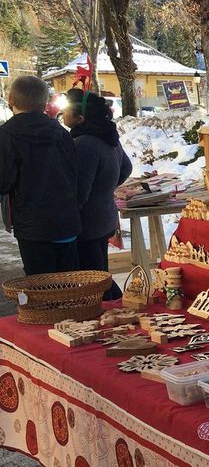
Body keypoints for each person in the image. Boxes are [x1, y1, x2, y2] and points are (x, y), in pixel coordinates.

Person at [0, 75, 81, 274]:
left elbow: (4, 182)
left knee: (41, 291)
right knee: (67, 287)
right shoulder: (61, 132)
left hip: (33, 227)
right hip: (67, 222)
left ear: (11, 100)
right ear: (45, 103)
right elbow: (74, 173)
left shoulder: (7, 135)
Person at [62, 88, 132, 299]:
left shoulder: (84, 144)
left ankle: (113, 316)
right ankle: (116, 309)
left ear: (80, 118)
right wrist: (106, 187)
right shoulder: (109, 138)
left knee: (95, 282)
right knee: (101, 274)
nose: (62, 114)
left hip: (88, 223)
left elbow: (80, 192)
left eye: (66, 110)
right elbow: (126, 168)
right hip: (104, 216)